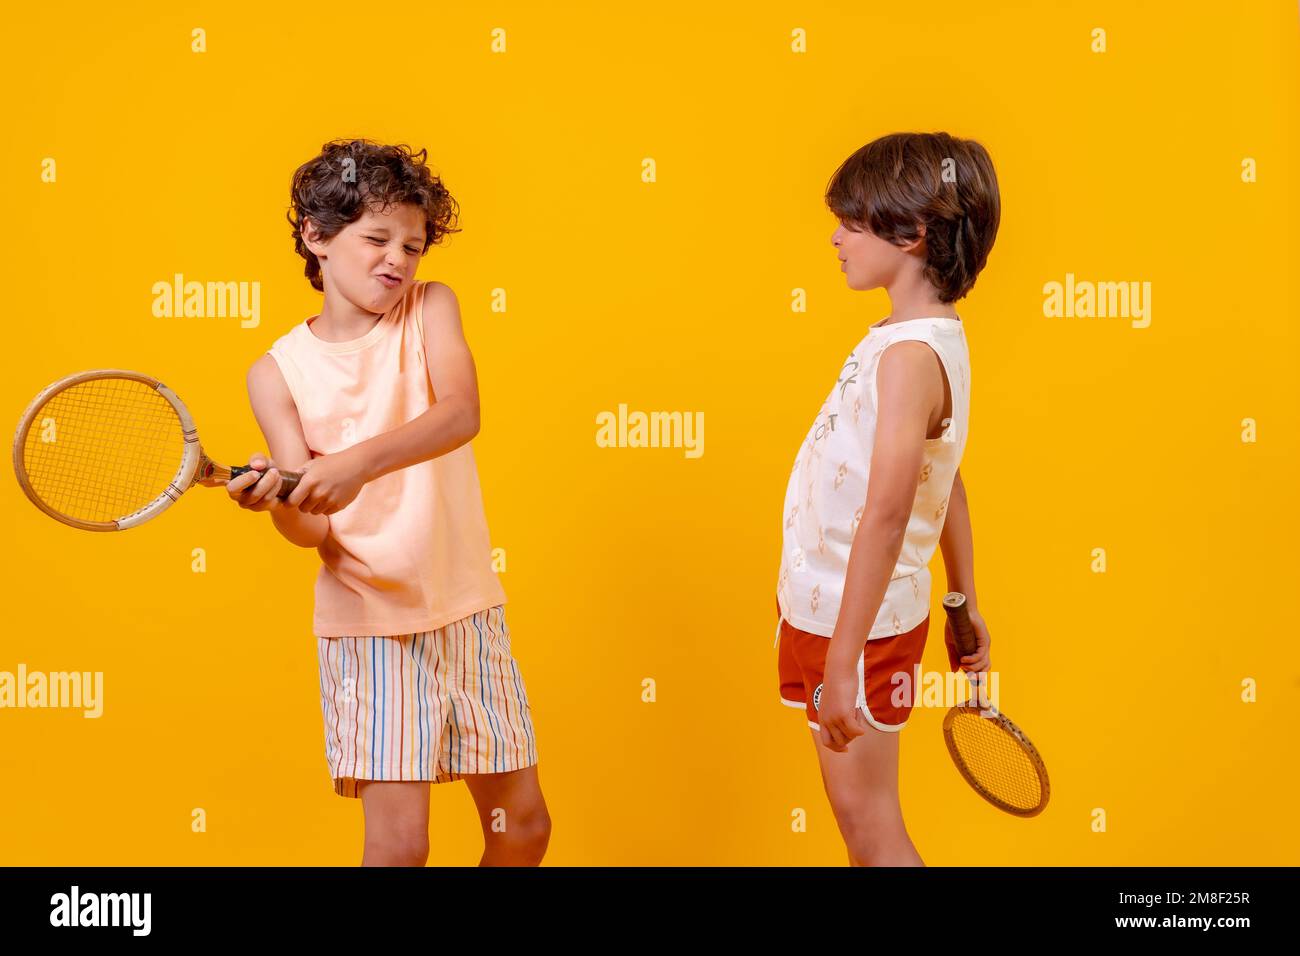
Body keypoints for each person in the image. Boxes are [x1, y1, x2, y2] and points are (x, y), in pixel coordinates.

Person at [228, 139, 550, 866]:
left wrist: (353, 464)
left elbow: (459, 413)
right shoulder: (276, 373)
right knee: (401, 848)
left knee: (523, 829)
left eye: (412, 244)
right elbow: (309, 530)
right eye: (377, 239)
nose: (397, 260)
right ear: (316, 236)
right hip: (369, 627)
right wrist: (277, 498)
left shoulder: (430, 309)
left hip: (467, 609)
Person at [775, 132, 1000, 866]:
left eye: (852, 221)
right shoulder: (916, 339)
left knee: (870, 831)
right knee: (858, 824)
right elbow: (950, 480)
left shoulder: (909, 358)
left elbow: (893, 512)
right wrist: (963, 605)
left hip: (859, 631)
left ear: (912, 233)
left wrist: (843, 663)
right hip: (831, 613)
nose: (835, 237)